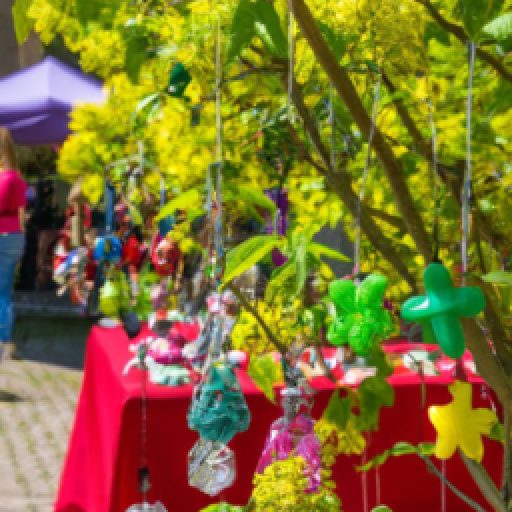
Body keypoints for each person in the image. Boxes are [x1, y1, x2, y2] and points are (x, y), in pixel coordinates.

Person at [0, 127, 27, 360]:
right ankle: (6, 340)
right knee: (5, 291)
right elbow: (22, 213)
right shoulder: (17, 179)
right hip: (15, 236)